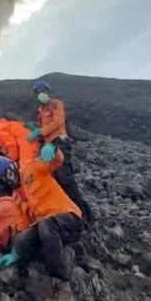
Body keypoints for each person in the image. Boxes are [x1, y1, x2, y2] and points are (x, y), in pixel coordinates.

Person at [0, 155, 84, 280]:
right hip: (50, 232)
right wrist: (16, 251)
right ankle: (24, 271)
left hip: (70, 221)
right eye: (3, 180)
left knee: (46, 225)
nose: (8, 180)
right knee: (22, 239)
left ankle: (59, 276)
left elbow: (55, 161)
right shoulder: (16, 198)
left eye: (7, 174)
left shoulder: (32, 168)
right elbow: (23, 226)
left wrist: (52, 151)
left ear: (12, 165)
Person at [27, 80, 94, 222]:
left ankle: (85, 215)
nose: (41, 94)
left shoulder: (56, 104)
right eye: (38, 92)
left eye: (43, 91)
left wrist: (40, 130)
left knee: (66, 180)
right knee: (57, 181)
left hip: (60, 143)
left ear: (48, 91)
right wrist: (36, 131)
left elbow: (57, 123)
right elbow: (45, 129)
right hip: (48, 147)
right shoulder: (41, 111)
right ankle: (69, 212)